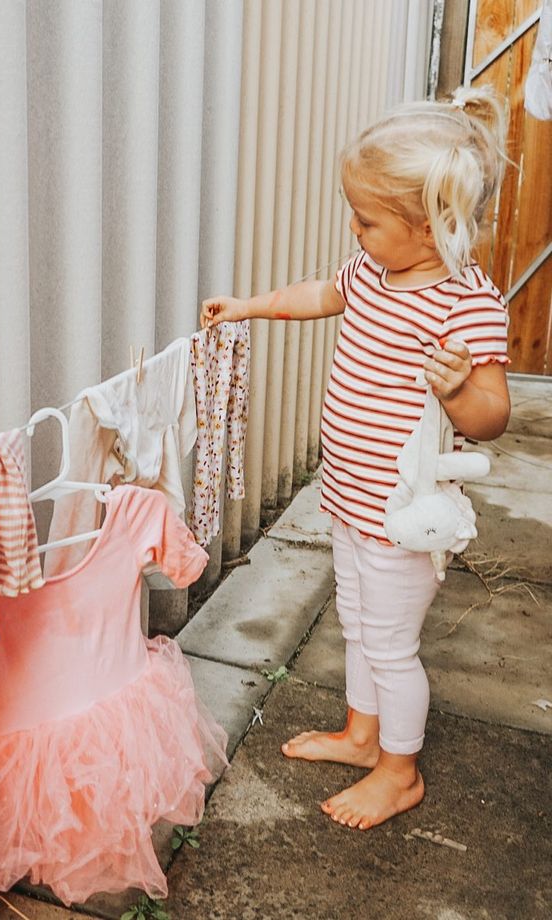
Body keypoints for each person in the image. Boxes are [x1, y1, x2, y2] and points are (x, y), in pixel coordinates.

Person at [200, 85, 511, 831]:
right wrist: (251, 306)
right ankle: (363, 734)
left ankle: (399, 772)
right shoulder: (371, 273)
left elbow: (493, 417)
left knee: (393, 645)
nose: (355, 229)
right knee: (358, 624)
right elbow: (317, 294)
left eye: (369, 219)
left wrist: (462, 386)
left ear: (434, 228)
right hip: (347, 495)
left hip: (400, 515)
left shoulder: (465, 304)